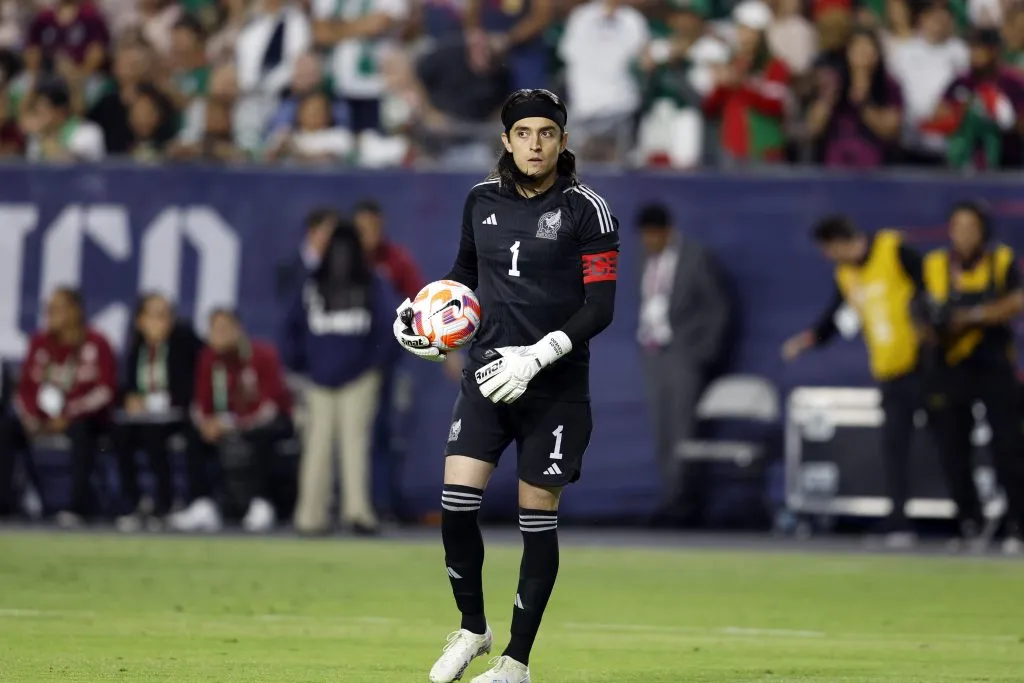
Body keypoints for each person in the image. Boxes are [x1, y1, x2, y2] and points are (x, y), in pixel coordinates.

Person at [394, 88, 619, 683]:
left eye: (547, 133)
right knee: (455, 506)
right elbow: (466, 273)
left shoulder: (587, 210)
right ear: (507, 140)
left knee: (535, 518)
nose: (535, 144)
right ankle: (474, 628)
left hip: (555, 386)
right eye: (524, 133)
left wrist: (539, 354)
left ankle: (516, 662)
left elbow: (601, 308)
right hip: (490, 377)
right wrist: (426, 309)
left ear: (563, 141)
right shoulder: (480, 200)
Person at [782, 216, 927, 547]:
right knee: (894, 447)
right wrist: (806, 341)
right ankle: (898, 523)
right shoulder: (847, 275)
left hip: (926, 365)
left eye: (828, 249)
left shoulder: (893, 249)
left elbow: (929, 285)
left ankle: (974, 521)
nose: (828, 256)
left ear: (839, 240)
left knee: (950, 441)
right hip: (889, 371)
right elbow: (833, 319)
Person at [921, 200, 1024, 555]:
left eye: (971, 227)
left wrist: (972, 315)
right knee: (953, 448)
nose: (964, 234)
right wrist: (931, 325)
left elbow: (1016, 301)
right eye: (958, 227)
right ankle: (969, 522)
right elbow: (920, 310)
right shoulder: (934, 264)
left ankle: (1016, 524)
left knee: (1008, 447)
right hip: (950, 365)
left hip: (993, 363)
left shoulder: (1001, 260)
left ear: (983, 230)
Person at [280, 220, 394, 536]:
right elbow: (291, 329)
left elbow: (388, 330)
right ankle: (314, 516)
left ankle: (350, 514)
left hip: (354, 378)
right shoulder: (314, 284)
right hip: (323, 378)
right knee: (323, 447)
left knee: (347, 447)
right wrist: (298, 367)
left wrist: (373, 367)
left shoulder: (370, 283)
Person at [636, 202, 731, 526]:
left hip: (683, 355)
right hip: (654, 353)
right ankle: (670, 498)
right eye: (645, 237)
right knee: (663, 431)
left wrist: (702, 353)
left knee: (682, 430)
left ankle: (684, 503)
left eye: (654, 235)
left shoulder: (695, 257)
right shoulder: (643, 260)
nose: (649, 242)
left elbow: (718, 308)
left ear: (668, 230)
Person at [169, 309, 294, 533]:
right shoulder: (207, 358)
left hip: (265, 423)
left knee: (262, 435)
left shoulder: (262, 355)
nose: (220, 335)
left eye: (225, 329)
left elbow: (270, 406)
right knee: (193, 435)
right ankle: (203, 504)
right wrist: (207, 424)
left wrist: (235, 425)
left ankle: (261, 503)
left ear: (239, 330)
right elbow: (199, 403)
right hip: (225, 423)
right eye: (215, 330)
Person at [7, 287, 117, 527]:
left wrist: (67, 415)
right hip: (40, 421)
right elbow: (24, 389)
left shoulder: (97, 343)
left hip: (80, 419)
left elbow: (105, 390)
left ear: (75, 311)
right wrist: (33, 420)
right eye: (49, 308)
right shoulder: (40, 343)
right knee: (5, 428)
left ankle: (77, 506)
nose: (50, 313)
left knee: (83, 431)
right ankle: (6, 503)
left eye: (58, 308)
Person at [112, 293, 202, 532]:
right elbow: (127, 387)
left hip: (175, 415)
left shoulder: (184, 342)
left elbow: (192, 384)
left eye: (164, 315)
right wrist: (130, 398)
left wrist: (163, 400)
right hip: (144, 417)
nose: (159, 321)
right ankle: (133, 503)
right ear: (140, 320)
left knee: (153, 435)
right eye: (152, 315)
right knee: (120, 433)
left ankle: (165, 503)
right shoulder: (136, 348)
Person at [275, 208, 341, 303]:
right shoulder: (287, 270)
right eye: (329, 232)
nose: (333, 239)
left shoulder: (340, 271)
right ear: (312, 231)